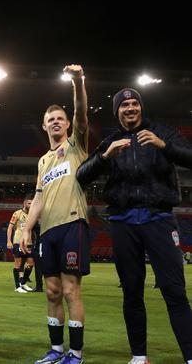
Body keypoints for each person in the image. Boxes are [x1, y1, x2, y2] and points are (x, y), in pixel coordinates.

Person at [76, 87, 192, 364]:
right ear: (117, 111)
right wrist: (105, 157)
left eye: (134, 103)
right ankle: (139, 356)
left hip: (159, 219)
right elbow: (81, 175)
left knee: (174, 290)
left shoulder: (163, 132)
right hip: (123, 222)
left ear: (140, 107)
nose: (130, 108)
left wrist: (165, 147)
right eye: (124, 105)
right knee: (131, 291)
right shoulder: (111, 141)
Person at [20, 65, 89, 364]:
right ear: (44, 126)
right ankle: (56, 350)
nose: (56, 122)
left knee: (71, 289)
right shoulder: (43, 161)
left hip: (73, 223)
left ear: (68, 125)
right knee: (51, 291)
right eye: (51, 120)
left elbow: (82, 112)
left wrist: (78, 82)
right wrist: (26, 228)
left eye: (60, 118)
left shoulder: (76, 146)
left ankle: (76, 354)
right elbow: (37, 197)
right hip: (47, 231)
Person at [7, 194, 35, 293]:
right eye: (29, 203)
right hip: (18, 241)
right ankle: (17, 286)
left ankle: (23, 283)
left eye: (32, 203)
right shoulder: (17, 213)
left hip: (29, 242)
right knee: (18, 264)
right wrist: (9, 241)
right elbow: (10, 227)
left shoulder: (33, 215)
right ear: (24, 203)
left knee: (31, 263)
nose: (30, 205)